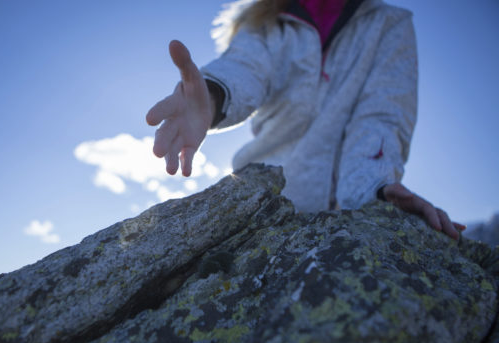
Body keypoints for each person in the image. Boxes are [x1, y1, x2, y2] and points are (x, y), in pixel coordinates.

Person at [146, 0, 465, 239]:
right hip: (260, 205)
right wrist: (213, 94)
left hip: (347, 224)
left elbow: (383, 114)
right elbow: (245, 68)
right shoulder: (265, 22)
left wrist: (377, 185)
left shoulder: (389, 25)